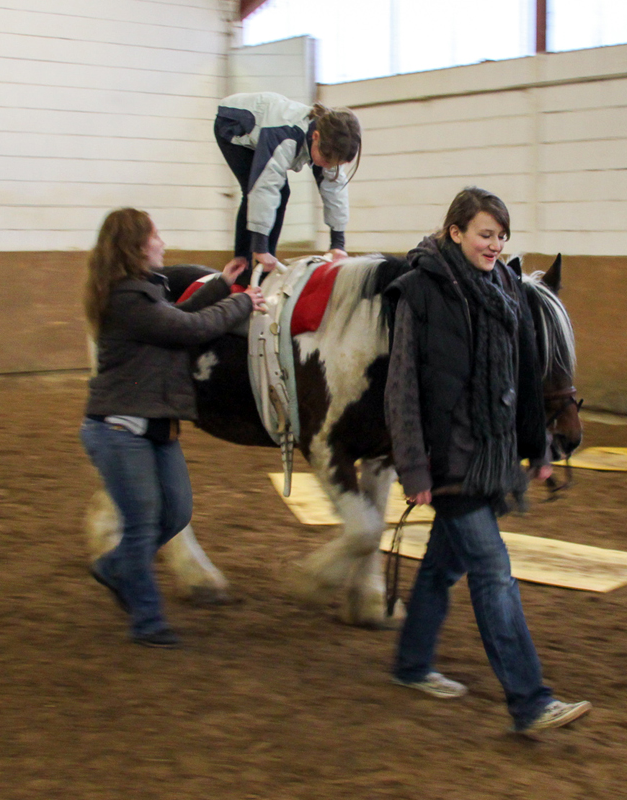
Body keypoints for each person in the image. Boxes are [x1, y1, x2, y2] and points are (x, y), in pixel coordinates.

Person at [383, 187, 591, 734]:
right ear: (455, 232)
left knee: (442, 565)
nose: (495, 245)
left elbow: (522, 380)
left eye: (501, 236)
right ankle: (530, 701)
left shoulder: (508, 289)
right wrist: (413, 467)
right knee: (493, 573)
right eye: (484, 234)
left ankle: (410, 663)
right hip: (451, 460)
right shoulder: (419, 291)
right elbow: (401, 387)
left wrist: (538, 447)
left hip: (495, 455)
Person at [81, 208, 266, 647]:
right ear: (136, 247)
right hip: (119, 430)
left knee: (177, 512)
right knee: (144, 523)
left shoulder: (145, 293)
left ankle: (113, 568)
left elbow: (177, 315)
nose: (162, 242)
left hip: (155, 426)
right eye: (155, 236)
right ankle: (147, 622)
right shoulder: (126, 299)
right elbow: (188, 326)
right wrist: (242, 301)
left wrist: (222, 282)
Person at [215, 92, 361, 275]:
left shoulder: (330, 141)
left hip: (265, 125)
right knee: (256, 190)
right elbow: (265, 186)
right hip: (234, 123)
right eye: (326, 160)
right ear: (315, 136)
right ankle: (242, 268)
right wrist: (260, 248)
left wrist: (337, 243)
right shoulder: (285, 135)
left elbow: (335, 189)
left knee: (283, 193)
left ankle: (266, 265)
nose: (329, 166)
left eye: (335, 164)